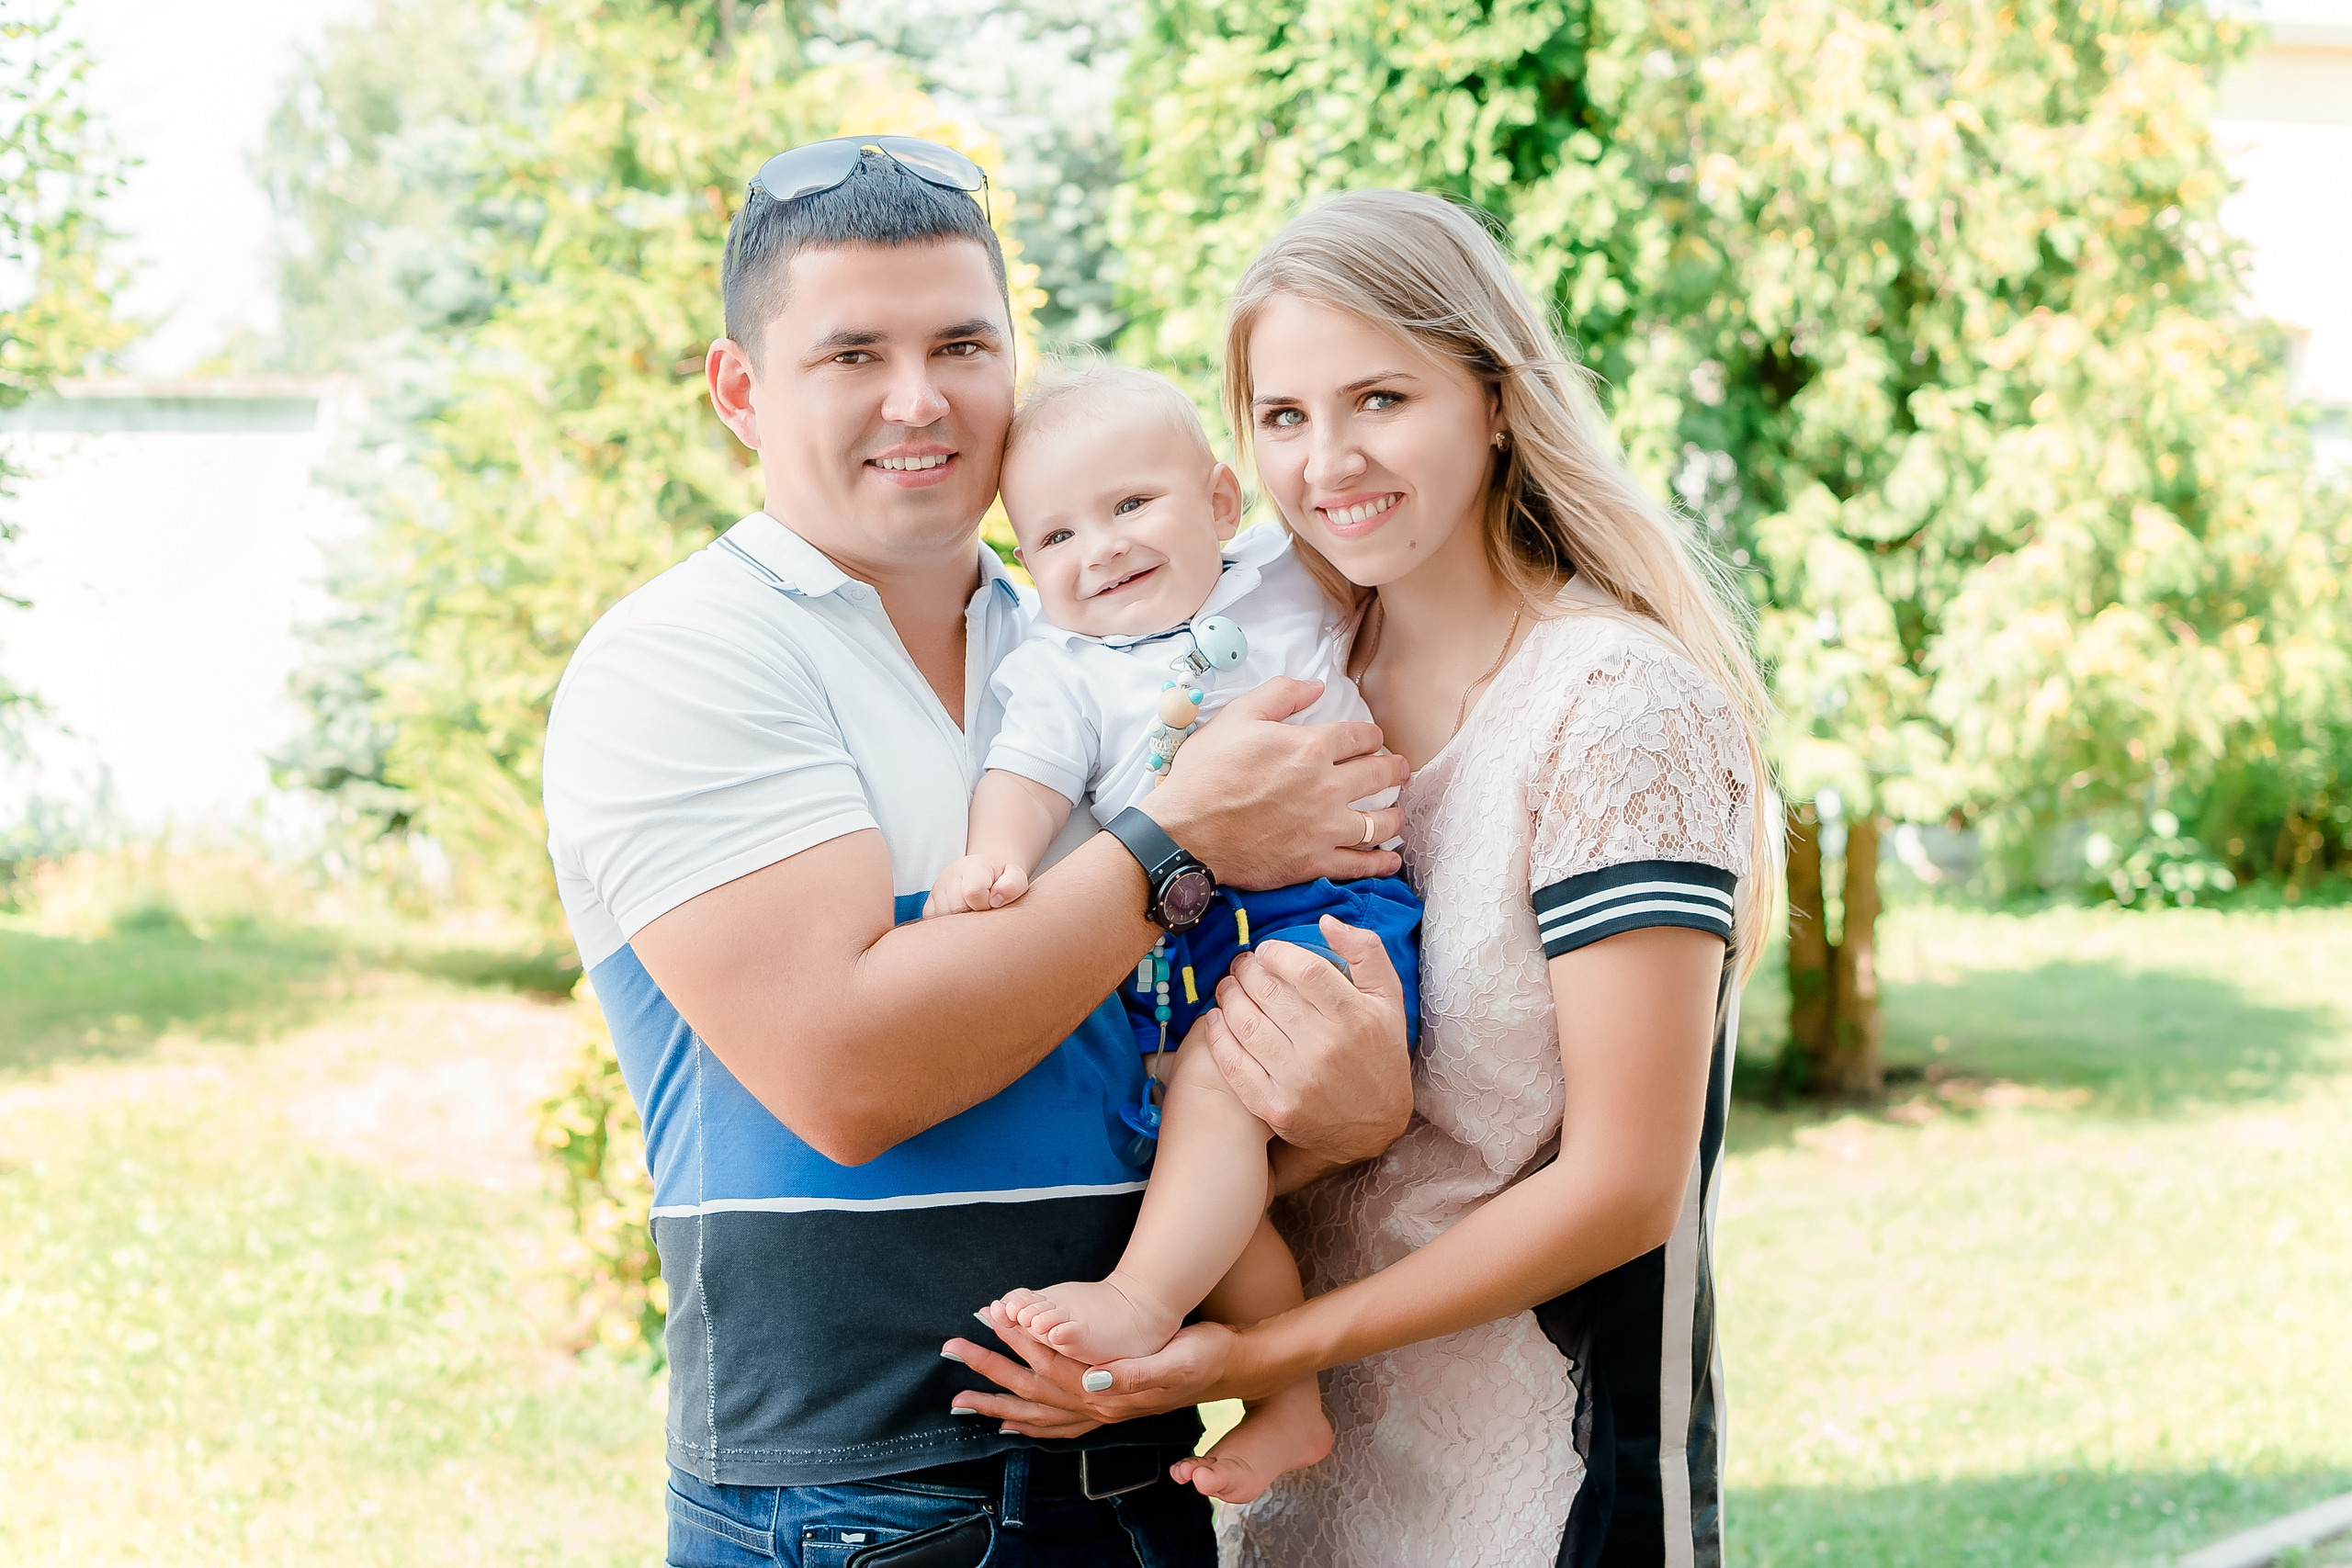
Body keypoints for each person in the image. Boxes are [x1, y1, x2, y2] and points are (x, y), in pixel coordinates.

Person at [539, 139, 1416, 1567]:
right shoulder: (687, 658)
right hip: (857, 1498)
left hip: (1138, 1468)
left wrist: (1354, 1100)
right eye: (851, 353)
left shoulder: (1091, 630)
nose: (919, 398)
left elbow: (1192, 1033)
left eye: (963, 342)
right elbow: (850, 1070)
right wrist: (1178, 833)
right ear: (742, 394)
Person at [944, 188, 1777, 1568]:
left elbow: (1627, 1189)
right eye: (1283, 417)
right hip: (1298, 1507)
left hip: (1550, 1491)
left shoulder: (1618, 704)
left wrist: (1259, 1349)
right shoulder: (1277, 669)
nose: (1327, 461)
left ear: (1497, 398)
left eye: (1381, 397)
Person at [922, 364, 1422, 1505]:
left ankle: (1146, 1303)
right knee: (1197, 1160)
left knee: (1210, 1098)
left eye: (1130, 506)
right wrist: (995, 857)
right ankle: (1288, 1399)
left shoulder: (1279, 579)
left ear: (1217, 503)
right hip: (1185, 940)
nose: (1098, 548)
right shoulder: (1057, 670)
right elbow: (1024, 775)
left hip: (1327, 913)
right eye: (1054, 534)